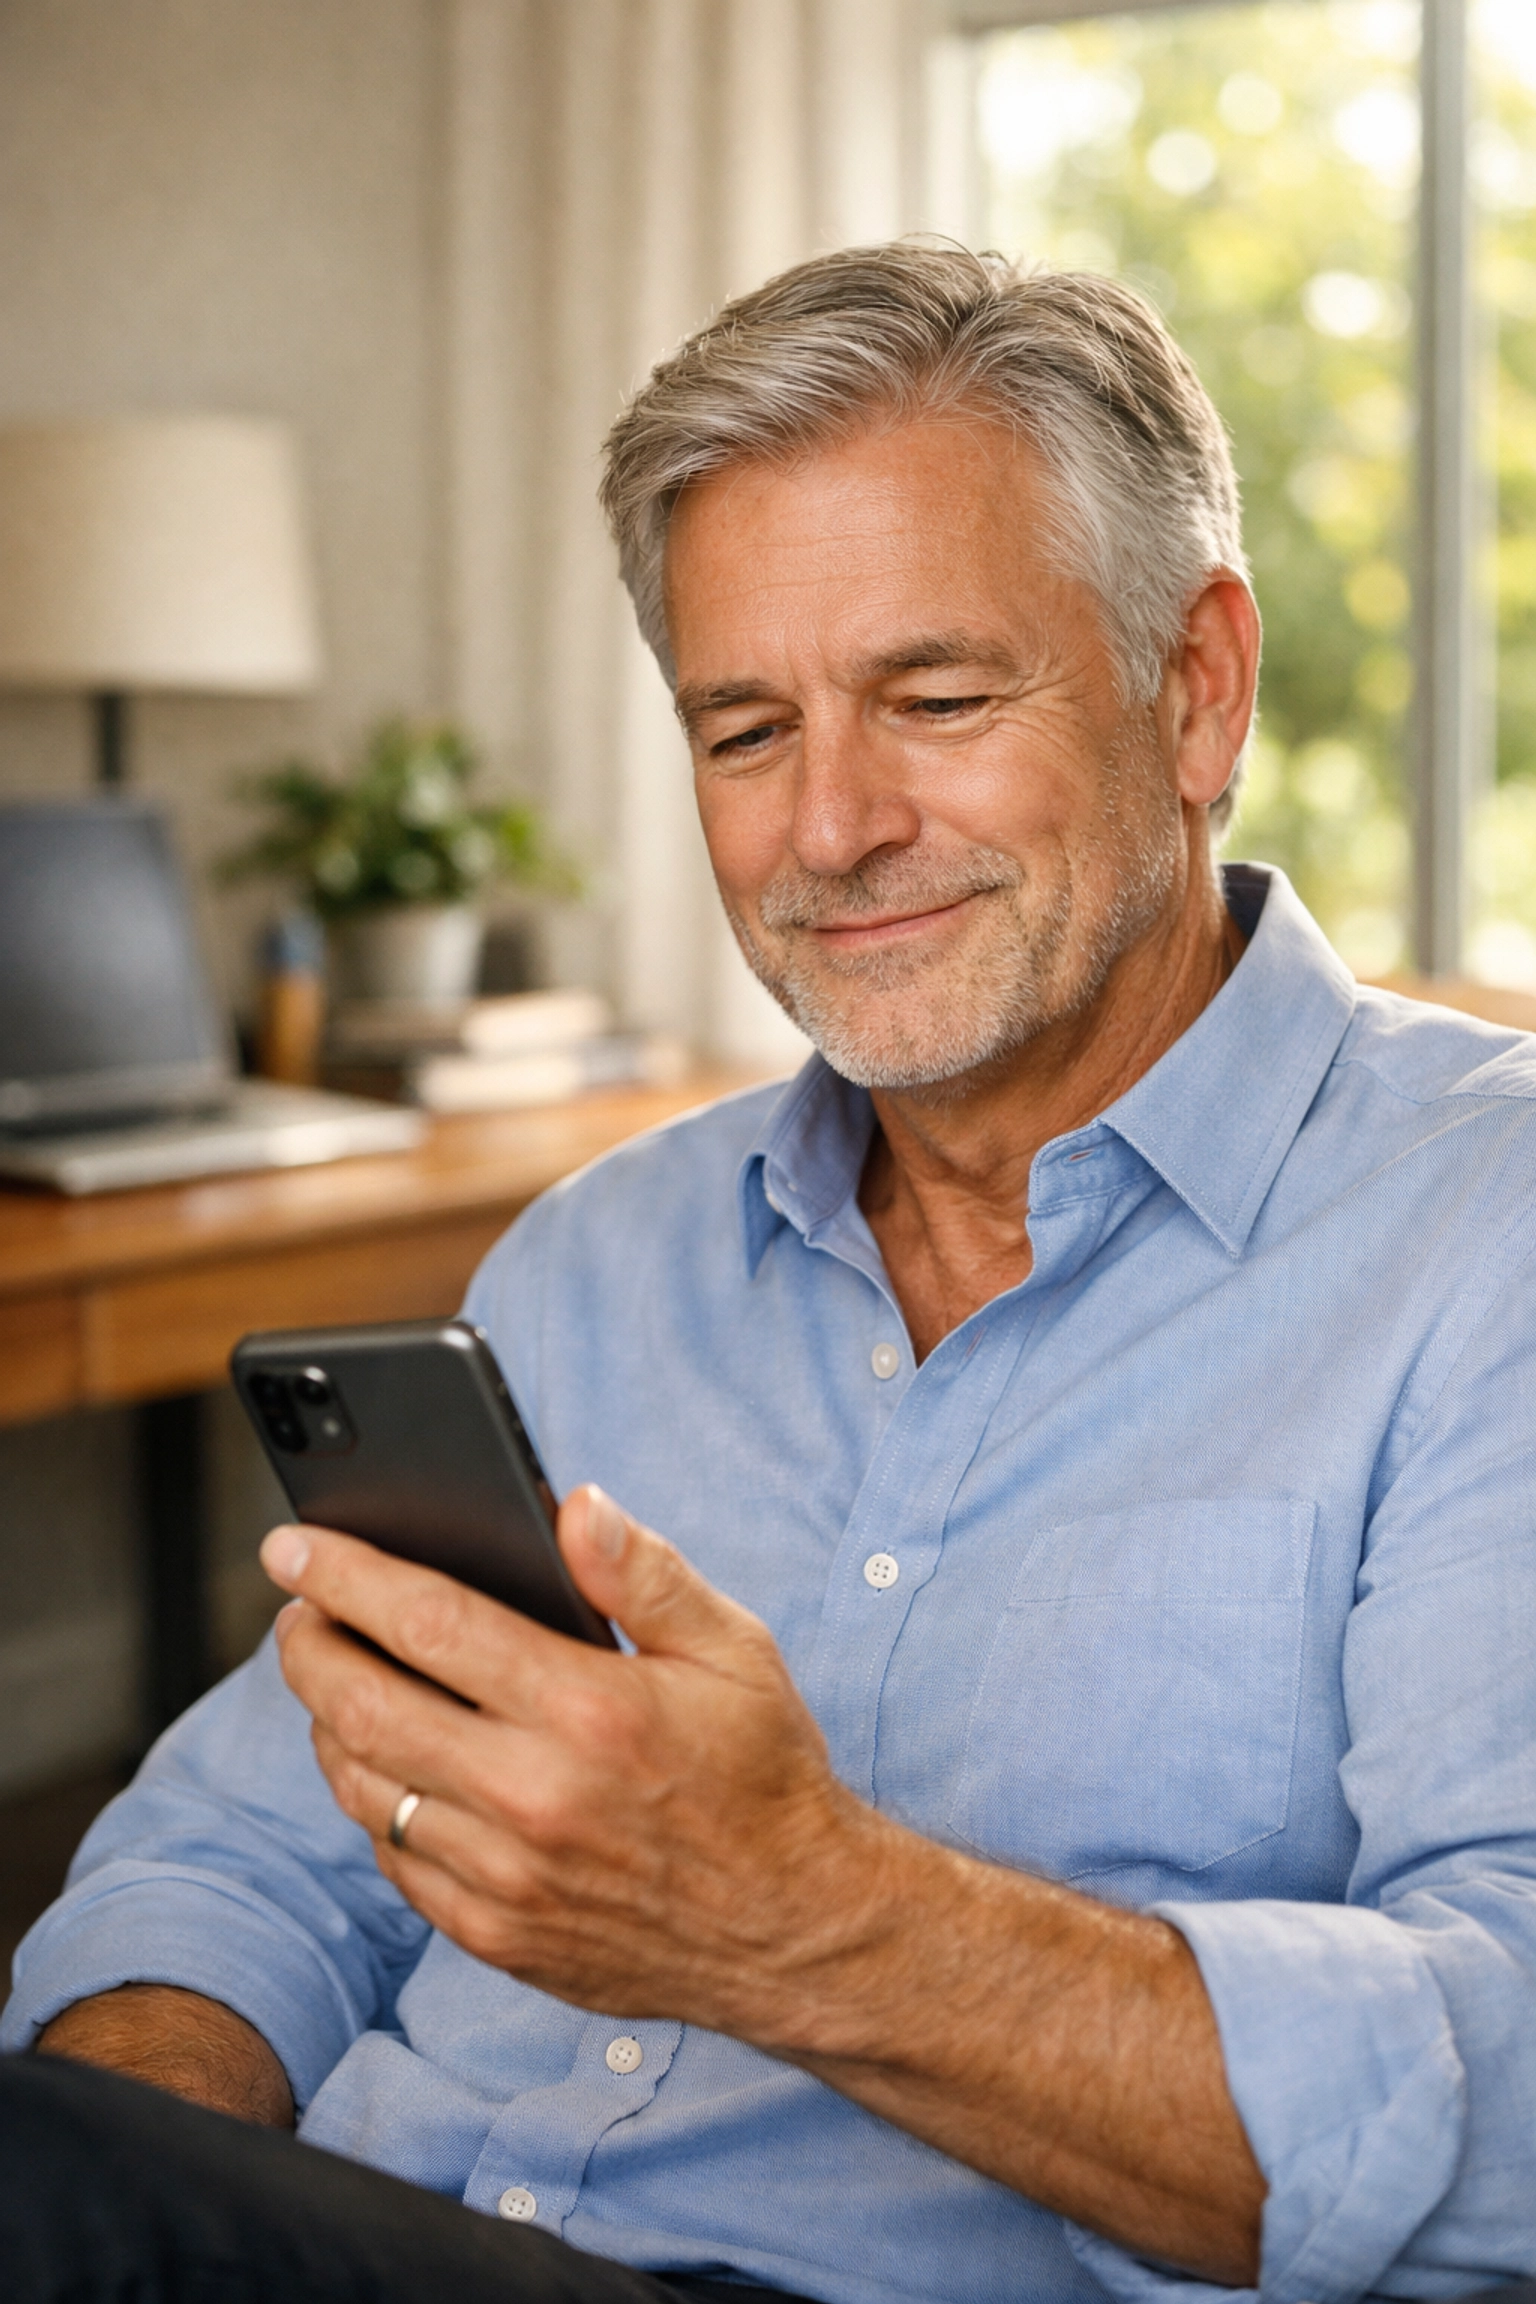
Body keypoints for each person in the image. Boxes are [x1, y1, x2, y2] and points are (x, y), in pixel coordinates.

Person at [4, 242, 1535, 2304]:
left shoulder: (1482, 1237)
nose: (828, 827)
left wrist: (800, 1917)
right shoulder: (595, 1259)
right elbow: (247, 1853)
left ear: (1199, 687)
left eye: (937, 697)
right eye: (745, 731)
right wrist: (136, 2173)